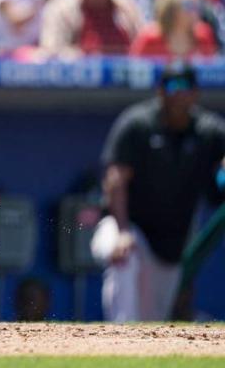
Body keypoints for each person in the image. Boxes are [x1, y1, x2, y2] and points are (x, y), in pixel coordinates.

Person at [91, 62, 225, 321]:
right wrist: (123, 232)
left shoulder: (207, 130)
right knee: (124, 258)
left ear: (195, 92)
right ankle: (119, 340)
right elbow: (115, 180)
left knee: (153, 320)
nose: (177, 93)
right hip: (126, 226)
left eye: (184, 86)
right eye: (171, 85)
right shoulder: (138, 124)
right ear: (160, 91)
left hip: (169, 247)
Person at [129, 0, 217, 60]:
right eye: (189, 5)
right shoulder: (149, 39)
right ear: (172, 9)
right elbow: (133, 70)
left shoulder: (204, 36)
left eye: (197, 4)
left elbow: (211, 72)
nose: (195, 10)